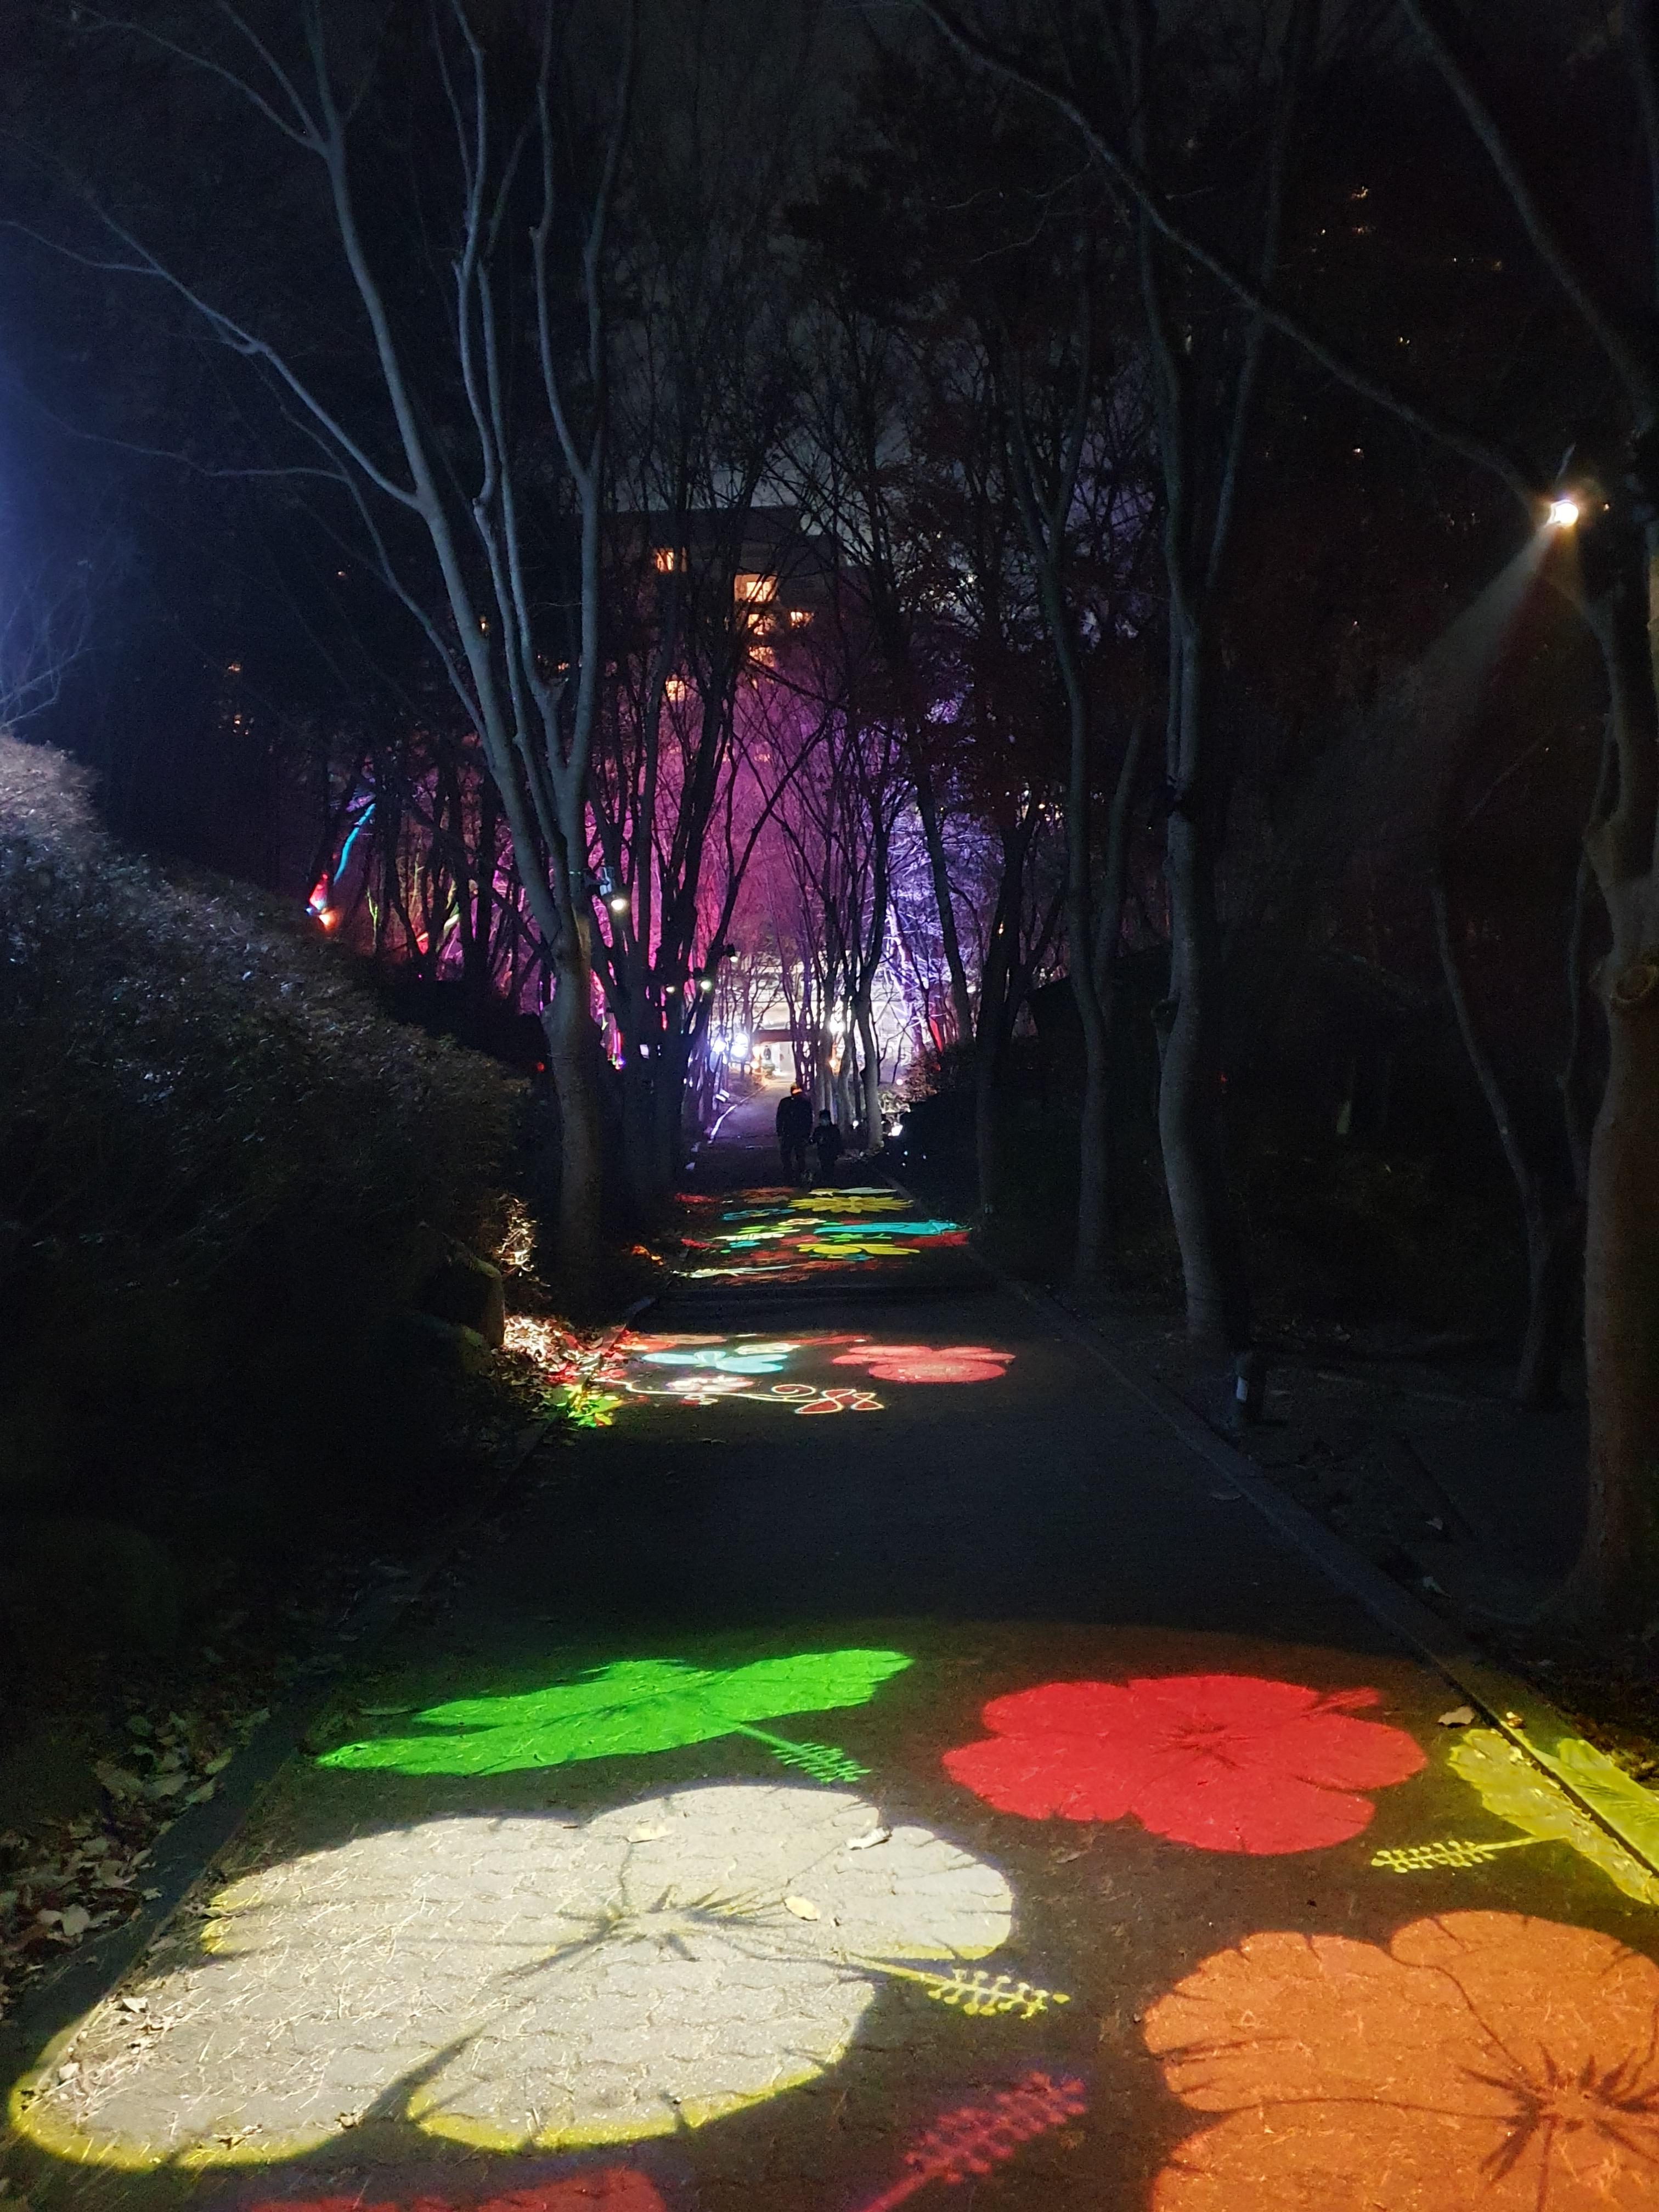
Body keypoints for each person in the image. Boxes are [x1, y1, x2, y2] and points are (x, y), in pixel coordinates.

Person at [775, 1082, 811, 1183]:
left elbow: (809, 1120)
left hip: (797, 1134)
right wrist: (780, 1132)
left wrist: (807, 1134)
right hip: (789, 1133)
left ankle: (798, 1174)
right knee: (788, 1155)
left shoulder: (804, 1103)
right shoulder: (787, 1103)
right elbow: (780, 1119)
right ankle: (790, 1174)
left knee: (799, 1155)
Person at [811, 1108, 844, 1185]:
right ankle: (827, 1181)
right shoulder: (818, 1130)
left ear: (829, 1120)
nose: (823, 1121)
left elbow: (838, 1141)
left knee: (830, 1167)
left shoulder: (834, 1130)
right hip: (822, 1152)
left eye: (825, 1119)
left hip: (831, 1152)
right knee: (824, 1167)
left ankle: (830, 1182)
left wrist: (839, 1151)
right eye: (822, 1119)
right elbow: (814, 1139)